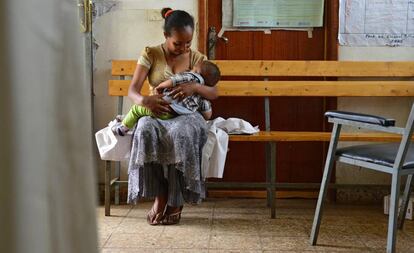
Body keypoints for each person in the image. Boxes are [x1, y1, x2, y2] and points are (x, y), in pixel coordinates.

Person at [126, 7, 218, 226]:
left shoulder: (198, 58)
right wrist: (143, 101)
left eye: (188, 43)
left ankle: (176, 200)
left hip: (187, 115)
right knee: (145, 129)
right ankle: (160, 195)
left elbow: (214, 92)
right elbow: (132, 90)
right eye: (178, 43)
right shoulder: (151, 53)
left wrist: (194, 87)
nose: (184, 48)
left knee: (182, 132)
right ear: (166, 36)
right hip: (157, 110)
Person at [112, 60, 221, 136]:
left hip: (164, 108)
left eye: (193, 68)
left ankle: (123, 128)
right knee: (144, 117)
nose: (190, 69)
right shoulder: (203, 96)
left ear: (197, 72)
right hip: (178, 116)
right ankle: (129, 119)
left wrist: (161, 86)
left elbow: (175, 80)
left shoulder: (190, 77)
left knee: (137, 109)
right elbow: (207, 115)